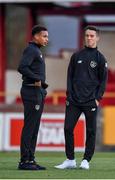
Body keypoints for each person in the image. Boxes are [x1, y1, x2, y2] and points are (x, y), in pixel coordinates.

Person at [55, 26, 108, 170]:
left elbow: (103, 81)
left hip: (90, 101)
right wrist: (69, 95)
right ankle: (70, 159)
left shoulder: (100, 59)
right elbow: (69, 77)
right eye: (87, 36)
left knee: (91, 131)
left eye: (92, 36)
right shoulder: (76, 56)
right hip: (73, 101)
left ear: (97, 38)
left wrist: (97, 98)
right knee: (67, 128)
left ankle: (86, 160)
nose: (89, 38)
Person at [17, 25, 49, 170]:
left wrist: (42, 87)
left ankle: (30, 159)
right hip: (31, 91)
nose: (46, 39)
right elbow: (22, 67)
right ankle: (24, 161)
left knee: (35, 127)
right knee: (30, 126)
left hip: (38, 92)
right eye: (44, 36)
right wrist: (38, 79)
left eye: (47, 36)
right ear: (36, 36)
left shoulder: (37, 51)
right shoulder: (31, 50)